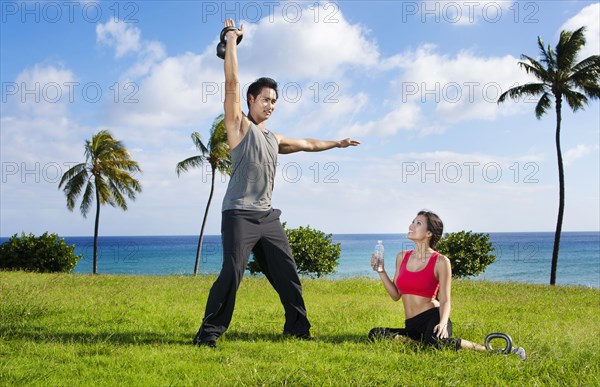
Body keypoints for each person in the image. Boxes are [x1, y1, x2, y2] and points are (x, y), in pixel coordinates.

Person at [193, 19, 360, 348]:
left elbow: (308, 144)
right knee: (232, 274)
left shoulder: (274, 138)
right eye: (265, 99)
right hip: (239, 214)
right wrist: (231, 40)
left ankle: (297, 329)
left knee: (287, 274)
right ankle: (208, 334)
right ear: (251, 99)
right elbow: (231, 82)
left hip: (267, 217)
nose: (270, 105)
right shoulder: (238, 126)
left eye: (274, 102)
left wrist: (337, 143)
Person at [369, 210, 526, 360]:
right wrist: (381, 271)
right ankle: (423, 344)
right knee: (375, 333)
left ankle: (496, 351)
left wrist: (443, 323)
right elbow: (396, 295)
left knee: (437, 343)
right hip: (411, 324)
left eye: (418, 223)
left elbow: (445, 299)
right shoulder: (402, 257)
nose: (411, 225)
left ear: (429, 233)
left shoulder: (441, 261)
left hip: (433, 318)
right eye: (412, 222)